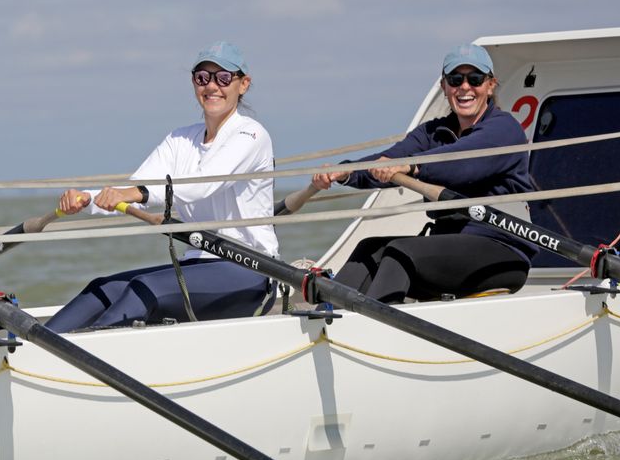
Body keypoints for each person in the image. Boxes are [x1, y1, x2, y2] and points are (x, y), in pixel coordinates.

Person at [45, 41, 279, 332]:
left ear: (243, 84)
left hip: (249, 269)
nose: (212, 86)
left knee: (144, 288)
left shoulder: (251, 134)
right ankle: (29, 350)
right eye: (202, 77)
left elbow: (200, 186)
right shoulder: (180, 139)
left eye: (223, 77)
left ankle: (82, 358)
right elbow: (135, 191)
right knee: (102, 289)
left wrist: (136, 193)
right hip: (197, 263)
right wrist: (87, 199)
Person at [312, 43, 537, 303]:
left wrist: (412, 166)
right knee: (369, 248)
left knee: (400, 252)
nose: (465, 87)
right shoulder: (432, 133)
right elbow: (388, 160)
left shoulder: (504, 129)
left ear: (490, 85)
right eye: (456, 79)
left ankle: (376, 328)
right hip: (450, 245)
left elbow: (462, 162)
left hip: (501, 249)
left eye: (475, 79)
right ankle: (327, 316)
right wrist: (346, 172)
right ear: (444, 87)